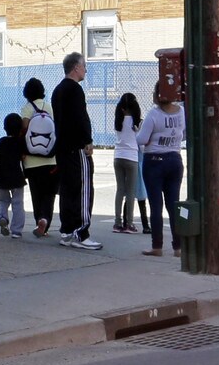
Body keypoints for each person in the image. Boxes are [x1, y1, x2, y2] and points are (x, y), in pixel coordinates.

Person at [52, 53, 100, 249]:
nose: (85, 70)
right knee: (83, 189)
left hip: (63, 148)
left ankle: (67, 232)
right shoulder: (75, 90)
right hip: (76, 148)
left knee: (67, 190)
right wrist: (87, 140)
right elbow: (81, 117)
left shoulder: (57, 90)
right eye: (84, 66)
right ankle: (81, 233)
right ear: (76, 68)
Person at [139, 80, 186, 256]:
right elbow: (182, 135)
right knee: (173, 204)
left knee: (156, 205)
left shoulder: (154, 114)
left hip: (154, 161)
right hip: (175, 159)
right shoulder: (181, 112)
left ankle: (157, 246)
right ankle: (178, 247)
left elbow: (142, 139)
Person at [21, 76, 59, 235]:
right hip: (50, 159)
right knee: (49, 194)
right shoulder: (49, 107)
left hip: (31, 161)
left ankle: (38, 222)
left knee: (36, 194)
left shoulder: (27, 109)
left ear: (27, 93)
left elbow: (24, 129)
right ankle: (45, 220)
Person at [111, 90, 147, 235]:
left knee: (120, 190)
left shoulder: (118, 121)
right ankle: (129, 224)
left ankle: (117, 222)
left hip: (118, 156)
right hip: (132, 157)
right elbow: (141, 143)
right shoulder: (137, 122)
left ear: (121, 108)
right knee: (130, 192)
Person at [0, 111, 28, 237]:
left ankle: (2, 217)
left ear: (4, 128)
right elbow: (23, 157)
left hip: (3, 177)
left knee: (3, 200)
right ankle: (16, 231)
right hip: (17, 177)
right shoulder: (20, 141)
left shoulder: (2, 141)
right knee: (18, 203)